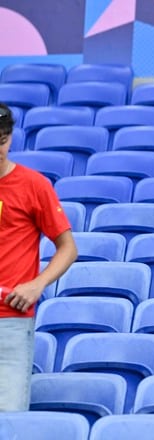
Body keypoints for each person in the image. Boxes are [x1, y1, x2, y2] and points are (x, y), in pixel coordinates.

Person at [0, 102, 78, 411]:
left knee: (9, 419)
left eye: (3, 140)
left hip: (11, 320)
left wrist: (37, 284)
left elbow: (68, 248)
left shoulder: (33, 185)